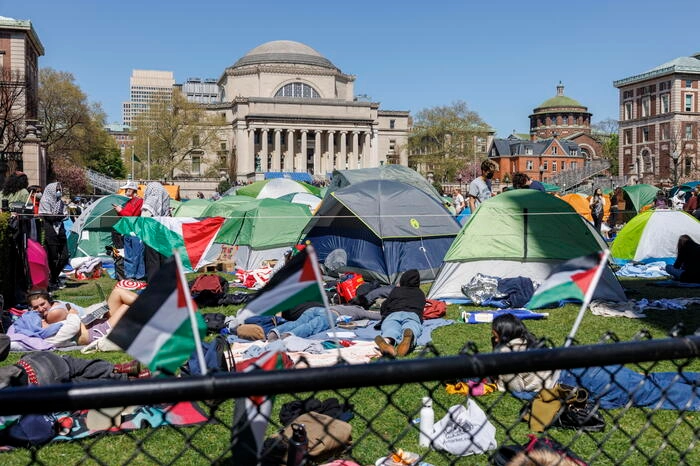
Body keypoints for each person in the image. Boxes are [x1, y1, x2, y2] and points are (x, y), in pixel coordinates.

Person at [491, 314, 700, 410]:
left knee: (652, 392)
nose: (492, 339)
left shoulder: (507, 355)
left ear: (503, 334)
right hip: (586, 367)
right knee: (647, 380)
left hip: (584, 380)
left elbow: (510, 385)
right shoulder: (528, 343)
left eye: (494, 335)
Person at [26, 287, 137, 346]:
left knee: (117, 292)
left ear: (49, 300)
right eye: (36, 308)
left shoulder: (51, 313)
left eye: (42, 304)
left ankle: (152, 305)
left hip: (94, 321)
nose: (40, 309)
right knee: (126, 306)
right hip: (98, 330)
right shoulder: (51, 314)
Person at [374, 269, 425, 358]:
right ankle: (409, 335)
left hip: (393, 314)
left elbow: (385, 306)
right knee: (412, 326)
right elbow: (421, 310)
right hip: (412, 314)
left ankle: (387, 340)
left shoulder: (396, 291)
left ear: (403, 279)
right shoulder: (420, 293)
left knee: (390, 328)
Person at [267, 304, 380, 340]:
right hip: (331, 314)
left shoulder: (342, 305)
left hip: (316, 309)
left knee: (297, 323)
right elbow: (374, 315)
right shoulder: (358, 311)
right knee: (311, 327)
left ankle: (276, 331)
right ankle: (288, 336)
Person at [38, 181, 69, 291]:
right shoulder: (45, 200)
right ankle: (53, 280)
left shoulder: (60, 202)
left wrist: (57, 216)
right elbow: (49, 218)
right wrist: (58, 216)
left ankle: (54, 277)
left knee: (65, 256)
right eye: (57, 190)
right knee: (53, 257)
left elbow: (65, 216)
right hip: (50, 230)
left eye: (60, 190)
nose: (59, 192)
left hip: (60, 230)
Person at [141, 182, 172, 281]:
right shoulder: (164, 196)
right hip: (164, 231)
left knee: (152, 260)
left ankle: (153, 284)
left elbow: (145, 216)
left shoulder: (152, 200)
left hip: (152, 232)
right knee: (163, 259)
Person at [114, 181, 145, 281]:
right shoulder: (129, 202)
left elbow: (131, 215)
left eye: (127, 189)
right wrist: (120, 211)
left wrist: (120, 210)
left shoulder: (139, 201)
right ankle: (130, 276)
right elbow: (126, 215)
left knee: (137, 255)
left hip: (135, 231)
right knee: (129, 255)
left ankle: (139, 276)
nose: (125, 191)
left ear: (132, 190)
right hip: (128, 231)